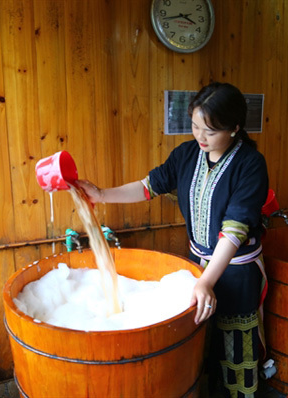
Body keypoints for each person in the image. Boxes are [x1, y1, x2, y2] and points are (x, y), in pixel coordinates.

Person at [78, 82, 269, 397]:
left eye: (210, 130)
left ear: (235, 128)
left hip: (236, 271)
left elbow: (234, 230)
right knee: (201, 341)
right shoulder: (186, 155)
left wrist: (207, 281)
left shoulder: (249, 165)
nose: (200, 137)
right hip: (197, 265)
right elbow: (148, 186)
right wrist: (100, 194)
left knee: (237, 346)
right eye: (195, 126)